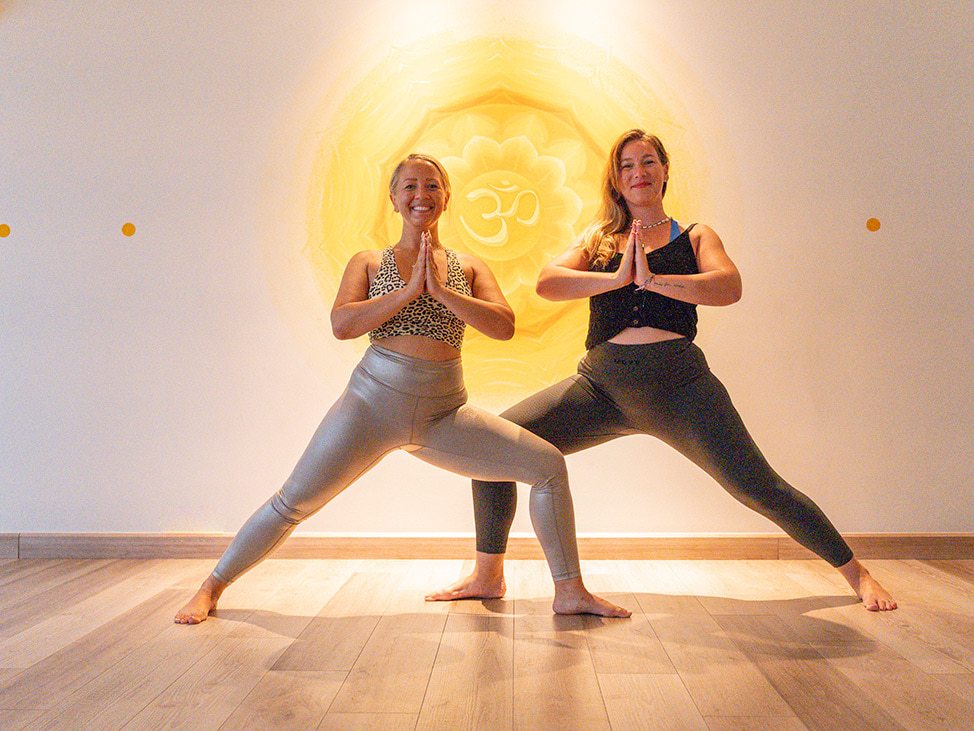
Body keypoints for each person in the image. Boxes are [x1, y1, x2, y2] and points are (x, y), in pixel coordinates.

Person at [427, 130, 897, 612]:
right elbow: (549, 282)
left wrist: (654, 280)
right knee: (492, 448)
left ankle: (857, 574)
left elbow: (727, 286)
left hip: (681, 387)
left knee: (759, 486)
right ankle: (488, 576)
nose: (638, 173)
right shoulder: (599, 240)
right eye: (627, 166)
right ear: (617, 179)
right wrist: (616, 278)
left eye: (647, 162)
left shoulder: (694, 236)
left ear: (665, 170)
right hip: (601, 387)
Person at [175, 153, 630, 624]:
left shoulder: (468, 266)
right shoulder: (370, 262)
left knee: (548, 465)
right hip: (370, 406)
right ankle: (212, 587)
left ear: (446, 197)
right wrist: (407, 291)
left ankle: (569, 590)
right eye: (410, 187)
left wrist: (444, 293)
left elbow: (503, 326)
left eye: (432, 187)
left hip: (444, 414)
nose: (421, 196)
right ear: (394, 198)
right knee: (293, 501)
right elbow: (342, 324)